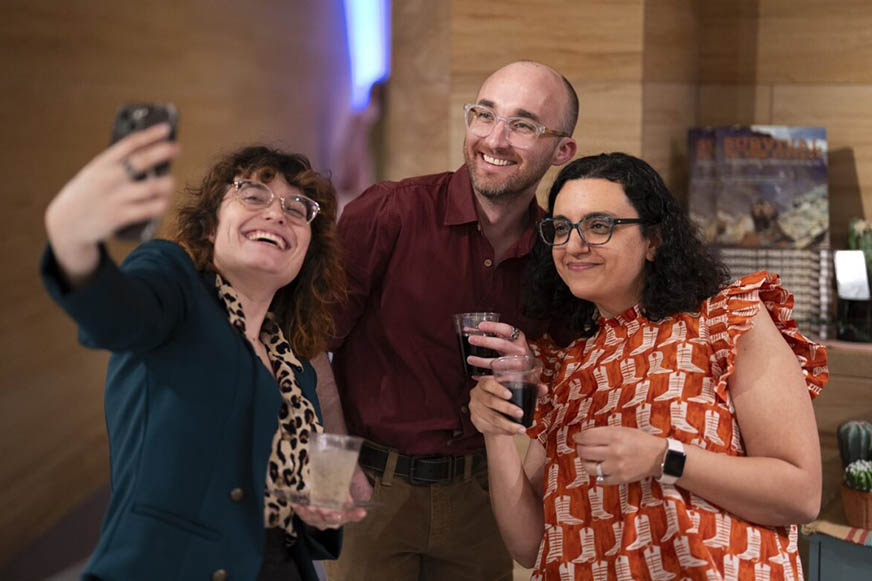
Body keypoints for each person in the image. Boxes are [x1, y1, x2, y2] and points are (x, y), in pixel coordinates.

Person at [468, 152, 828, 580]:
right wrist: (496, 432)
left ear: (654, 240)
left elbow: (801, 494)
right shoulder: (566, 362)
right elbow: (528, 545)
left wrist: (666, 458)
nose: (573, 245)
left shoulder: (724, 320)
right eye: (561, 228)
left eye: (599, 226)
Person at [40, 125, 365, 581]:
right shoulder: (174, 285)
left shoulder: (294, 361)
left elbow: (281, 494)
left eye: (297, 209)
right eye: (254, 196)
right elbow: (114, 314)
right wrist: (72, 238)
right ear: (210, 226)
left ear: (307, 253)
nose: (277, 214)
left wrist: (319, 510)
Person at [314, 60, 579, 580]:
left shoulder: (558, 249)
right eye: (484, 115)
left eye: (523, 125)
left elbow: (577, 376)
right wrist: (330, 470)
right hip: (371, 486)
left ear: (562, 150)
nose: (494, 139)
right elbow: (307, 343)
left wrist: (537, 374)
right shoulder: (390, 212)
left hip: (482, 496)